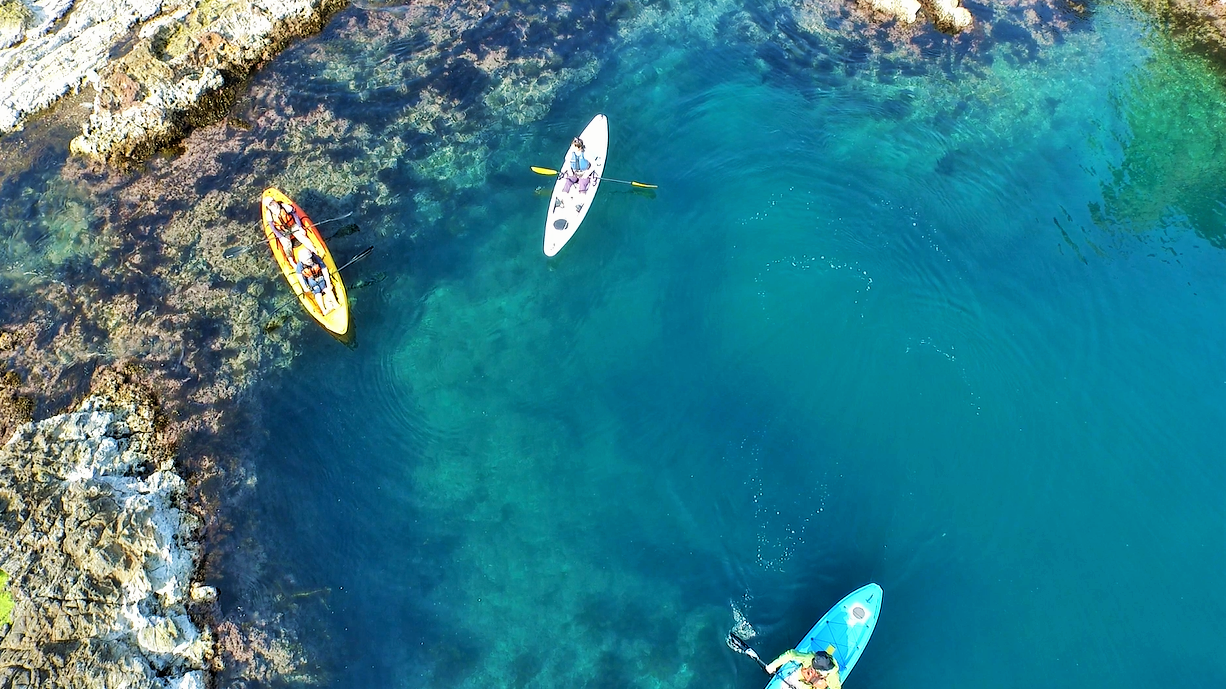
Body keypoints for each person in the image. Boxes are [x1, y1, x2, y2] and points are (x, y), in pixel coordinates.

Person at [765, 648, 841, 689]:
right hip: (797, 678)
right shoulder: (811, 658)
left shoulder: (833, 676)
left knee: (821, 683)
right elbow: (791, 654)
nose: (812, 668)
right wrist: (772, 666)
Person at [294, 245, 339, 314]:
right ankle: (324, 310)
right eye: (306, 260)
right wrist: (305, 287)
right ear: (302, 261)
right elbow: (300, 277)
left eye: (309, 259)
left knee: (326, 288)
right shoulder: (300, 266)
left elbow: (324, 270)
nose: (308, 261)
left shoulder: (316, 258)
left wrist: (328, 283)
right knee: (317, 293)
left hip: (320, 278)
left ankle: (335, 303)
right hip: (311, 281)